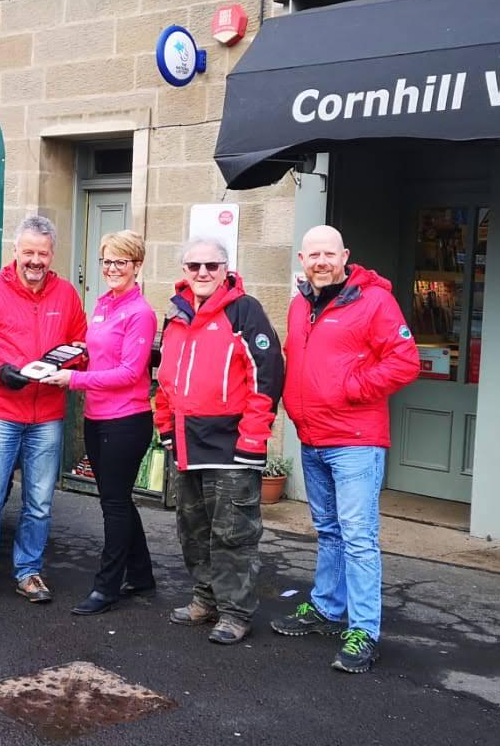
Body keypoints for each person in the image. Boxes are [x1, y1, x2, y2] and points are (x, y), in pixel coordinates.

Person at [272, 225, 420, 674]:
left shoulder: (374, 300)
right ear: (302, 259)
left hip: (355, 441)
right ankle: (327, 607)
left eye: (328, 254)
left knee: (358, 538)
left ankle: (364, 630)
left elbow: (405, 361)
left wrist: (352, 387)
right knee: (329, 531)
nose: (321, 261)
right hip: (312, 438)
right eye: (313, 254)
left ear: (345, 256)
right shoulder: (300, 304)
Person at [155, 238, 284, 644]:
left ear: (226, 268)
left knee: (233, 533)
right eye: (194, 265)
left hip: (231, 446)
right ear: (185, 269)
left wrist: (253, 438)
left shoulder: (245, 311)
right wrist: (164, 426)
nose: (203, 272)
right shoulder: (175, 314)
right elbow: (163, 376)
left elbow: (267, 379)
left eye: (212, 265)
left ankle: (235, 612)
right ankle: (205, 598)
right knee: (193, 529)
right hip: (186, 444)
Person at [0, 215, 87, 607]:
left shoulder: (66, 295)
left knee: (40, 501)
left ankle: (28, 571)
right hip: (0, 409)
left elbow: (81, 344)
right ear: (15, 251)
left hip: (46, 413)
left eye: (42, 253)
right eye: (28, 252)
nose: (35, 260)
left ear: (52, 254)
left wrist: (66, 364)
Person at [40, 230, 158, 616]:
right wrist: (68, 360)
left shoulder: (140, 313)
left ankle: (107, 587)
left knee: (113, 504)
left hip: (126, 420)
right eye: (106, 261)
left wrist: (72, 380)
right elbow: (99, 357)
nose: (111, 269)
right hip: (96, 416)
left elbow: (129, 373)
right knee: (118, 498)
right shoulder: (104, 305)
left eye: (120, 262)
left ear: (137, 266)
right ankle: (140, 574)